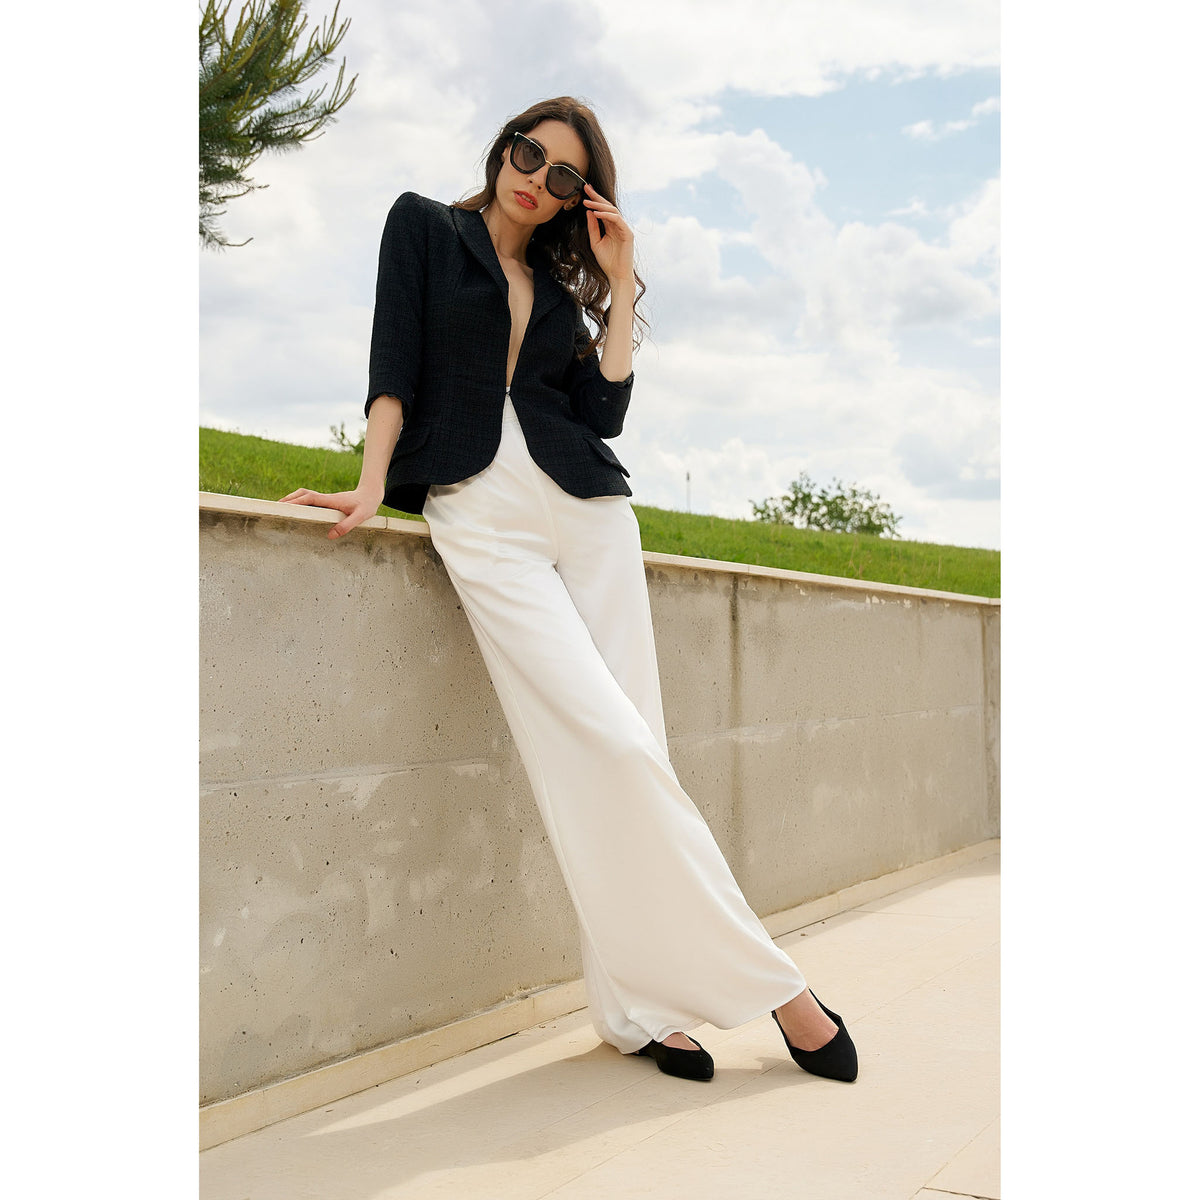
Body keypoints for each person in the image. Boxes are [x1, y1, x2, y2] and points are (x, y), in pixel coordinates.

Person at [281, 97, 857, 1084]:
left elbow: (606, 409)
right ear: (500, 148)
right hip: (480, 512)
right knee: (612, 750)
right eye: (524, 154)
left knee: (637, 757)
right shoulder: (425, 228)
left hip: (589, 515)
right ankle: (781, 990)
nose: (532, 178)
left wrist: (621, 281)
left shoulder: (555, 287)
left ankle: (636, 1011)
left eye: (559, 175)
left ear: (575, 199)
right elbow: (392, 366)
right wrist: (378, 482)